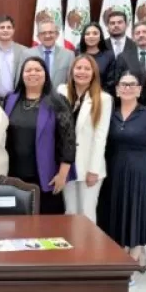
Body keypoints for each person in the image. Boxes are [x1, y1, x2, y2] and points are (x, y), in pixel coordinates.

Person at [100, 69, 146, 276]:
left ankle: (136, 255)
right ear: (117, 90)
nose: (127, 88)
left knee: (138, 210)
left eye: (132, 85)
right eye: (123, 84)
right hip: (113, 169)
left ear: (139, 90)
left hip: (141, 169)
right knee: (116, 210)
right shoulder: (109, 114)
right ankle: (117, 254)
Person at [2, 56, 75, 214]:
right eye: (28, 70)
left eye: (38, 70)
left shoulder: (58, 101)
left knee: (45, 223)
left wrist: (62, 175)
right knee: (16, 222)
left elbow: (68, 140)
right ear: (22, 75)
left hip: (46, 176)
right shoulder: (10, 99)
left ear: (46, 74)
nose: (33, 73)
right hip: (13, 175)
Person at [57, 54, 112, 223]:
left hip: (89, 165)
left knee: (86, 213)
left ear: (94, 73)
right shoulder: (61, 91)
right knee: (70, 211)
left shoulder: (103, 98)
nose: (82, 72)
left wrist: (93, 170)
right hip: (67, 165)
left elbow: (100, 137)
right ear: (72, 71)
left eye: (87, 68)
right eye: (78, 68)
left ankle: (88, 242)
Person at [24, 17, 73, 89]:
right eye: (43, 33)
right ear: (38, 37)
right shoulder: (27, 54)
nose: (47, 36)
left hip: (58, 95)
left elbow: (70, 81)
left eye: (51, 32)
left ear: (57, 35)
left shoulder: (69, 55)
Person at [0, 15, 28, 98]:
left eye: (9, 27)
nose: (5, 30)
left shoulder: (24, 51)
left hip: (16, 99)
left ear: (13, 30)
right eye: (2, 27)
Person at [77, 22, 118, 94]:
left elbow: (111, 82)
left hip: (101, 95)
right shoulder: (77, 54)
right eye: (87, 34)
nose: (91, 36)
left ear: (100, 37)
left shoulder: (109, 55)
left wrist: (99, 96)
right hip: (78, 94)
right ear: (83, 37)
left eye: (95, 33)